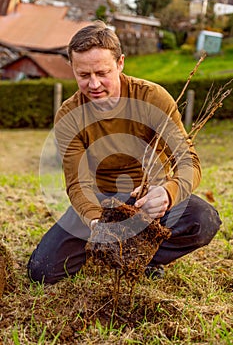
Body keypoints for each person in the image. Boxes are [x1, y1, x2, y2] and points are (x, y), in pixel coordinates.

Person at [27, 21, 221, 284]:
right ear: (72, 69)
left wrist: (167, 192)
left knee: (203, 220)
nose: (94, 84)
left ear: (120, 63)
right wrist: (97, 225)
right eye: (83, 75)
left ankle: (144, 256)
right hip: (101, 203)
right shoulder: (69, 115)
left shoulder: (153, 99)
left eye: (102, 72)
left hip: (147, 201)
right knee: (43, 271)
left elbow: (189, 161)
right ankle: (107, 252)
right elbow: (77, 184)